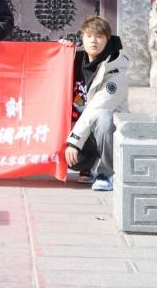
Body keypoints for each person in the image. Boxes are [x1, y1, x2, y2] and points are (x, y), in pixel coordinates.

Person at [58, 15, 128, 192]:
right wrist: (60, 51)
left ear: (108, 39)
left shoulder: (115, 71)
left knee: (103, 117)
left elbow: (96, 107)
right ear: (82, 37)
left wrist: (74, 142)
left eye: (99, 36)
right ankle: (87, 165)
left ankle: (106, 173)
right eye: (89, 36)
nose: (93, 41)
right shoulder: (75, 60)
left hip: (104, 131)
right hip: (81, 127)